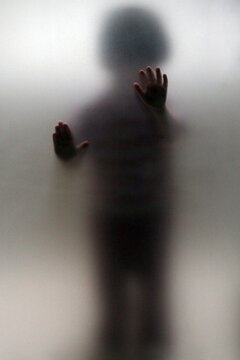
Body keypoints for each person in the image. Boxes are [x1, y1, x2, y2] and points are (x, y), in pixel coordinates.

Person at [53, 6, 177, 359]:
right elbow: (77, 157)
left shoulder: (157, 108)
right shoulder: (94, 112)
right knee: (110, 290)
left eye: (140, 60)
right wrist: (65, 152)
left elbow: (172, 132)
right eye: (124, 58)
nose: (130, 69)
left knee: (154, 290)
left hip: (152, 213)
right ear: (108, 59)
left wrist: (158, 111)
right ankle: (113, 331)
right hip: (108, 216)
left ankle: (152, 333)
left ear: (155, 59)